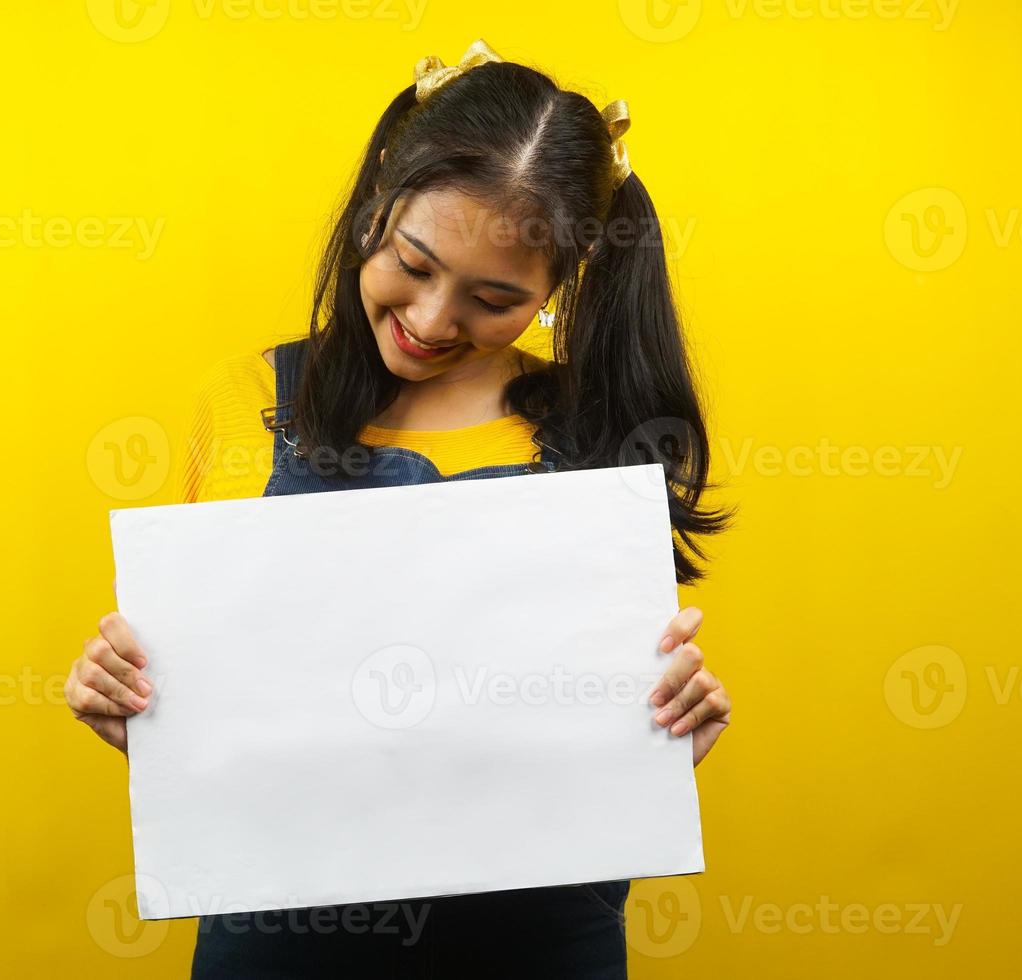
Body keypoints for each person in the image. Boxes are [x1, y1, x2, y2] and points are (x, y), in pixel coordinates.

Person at [64, 38, 734, 978]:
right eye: (413, 264)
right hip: (280, 947)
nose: (431, 321)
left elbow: (582, 723)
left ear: (558, 288)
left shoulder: (600, 437)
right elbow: (220, 717)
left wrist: (662, 736)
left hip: (538, 945)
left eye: (494, 299)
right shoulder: (242, 401)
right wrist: (134, 704)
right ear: (378, 201)